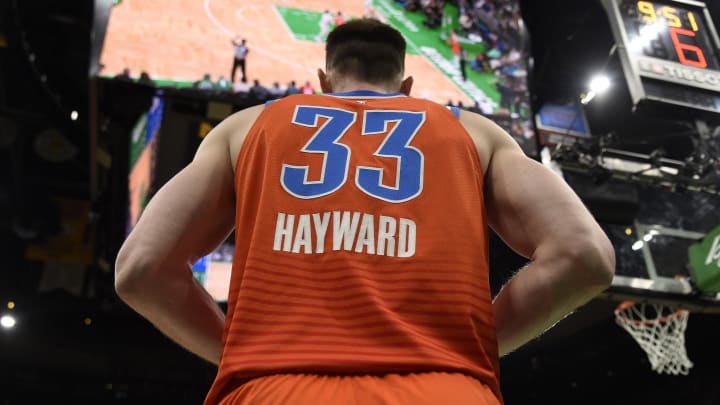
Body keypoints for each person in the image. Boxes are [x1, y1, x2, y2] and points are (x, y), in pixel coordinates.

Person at [115, 19, 615, 405]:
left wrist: (238, 353)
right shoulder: (476, 133)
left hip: (272, 387)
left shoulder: (246, 128)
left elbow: (141, 269)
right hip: (442, 390)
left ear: (323, 79)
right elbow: (585, 255)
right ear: (408, 85)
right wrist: (473, 350)